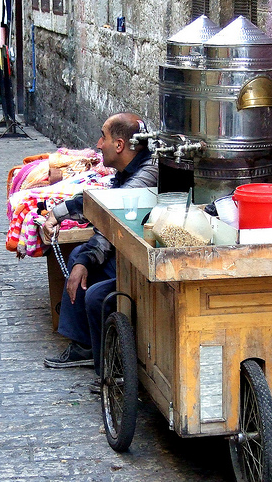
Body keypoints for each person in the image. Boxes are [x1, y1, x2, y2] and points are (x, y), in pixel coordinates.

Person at [42, 113, 158, 380]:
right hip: (122, 244)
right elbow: (104, 207)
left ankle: (99, 357)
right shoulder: (129, 171)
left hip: (135, 256)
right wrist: (59, 213)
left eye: (102, 137)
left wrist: (84, 256)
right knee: (79, 260)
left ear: (119, 145)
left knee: (86, 270)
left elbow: (112, 209)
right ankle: (85, 345)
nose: (97, 144)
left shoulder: (149, 172)